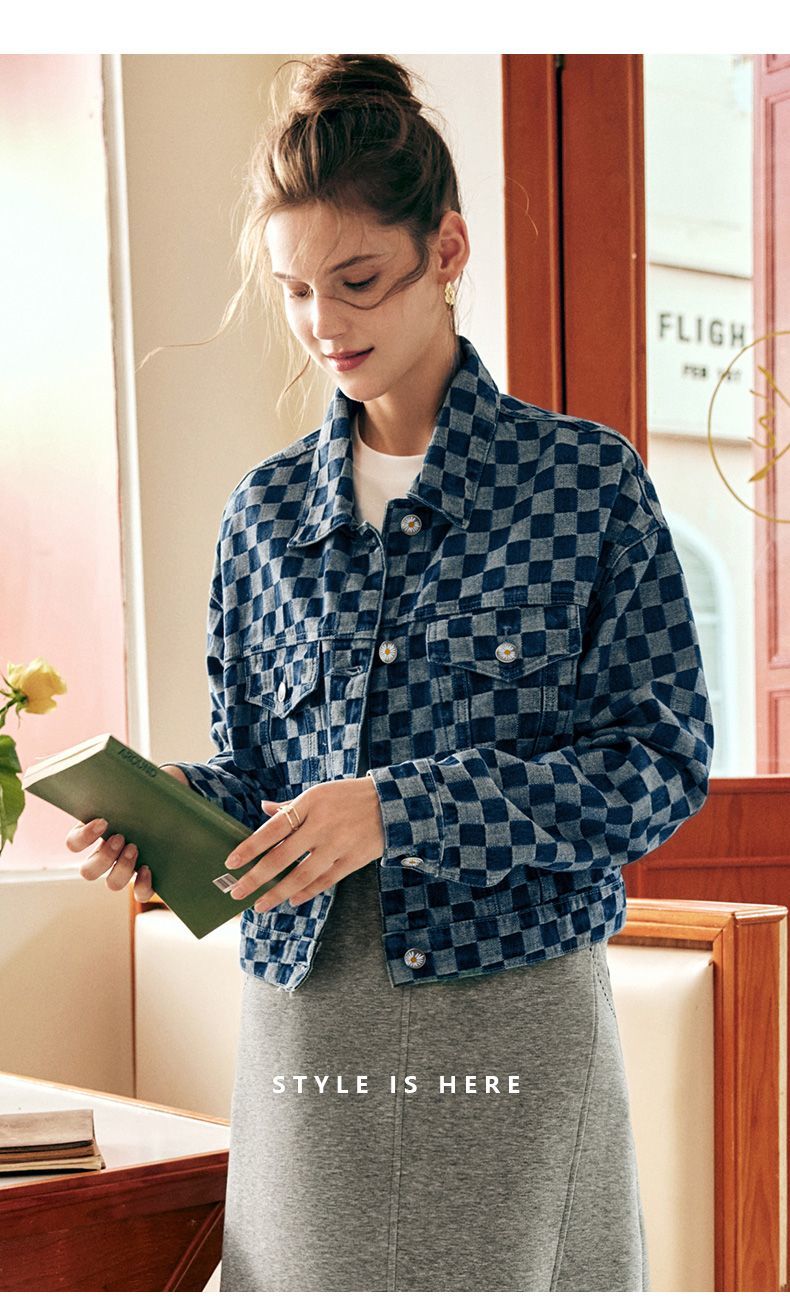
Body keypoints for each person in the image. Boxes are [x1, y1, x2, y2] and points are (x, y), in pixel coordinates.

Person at [67, 54, 714, 1292]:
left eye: (358, 280)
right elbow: (260, 775)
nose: (325, 323)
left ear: (447, 249)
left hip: (511, 1012)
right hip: (309, 1021)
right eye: (296, 290)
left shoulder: (584, 486)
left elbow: (655, 769)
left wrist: (398, 811)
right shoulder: (262, 516)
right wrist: (172, 809)